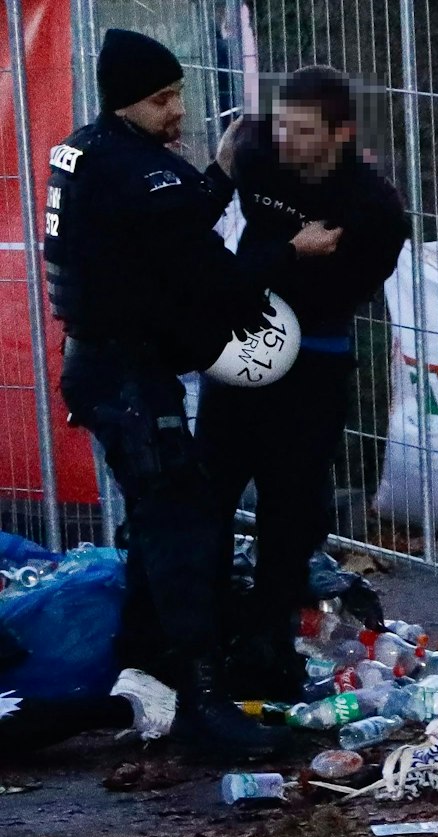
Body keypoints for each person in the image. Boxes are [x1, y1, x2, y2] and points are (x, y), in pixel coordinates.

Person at [40, 30, 334, 758]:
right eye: (161, 100)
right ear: (125, 102)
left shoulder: (88, 152)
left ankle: (149, 674)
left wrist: (218, 177)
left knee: (158, 520)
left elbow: (164, 221)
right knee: (186, 530)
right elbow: (213, 274)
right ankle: (202, 704)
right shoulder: (142, 174)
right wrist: (286, 252)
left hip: (103, 366)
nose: (177, 111)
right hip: (126, 375)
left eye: (177, 94)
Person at [202, 66, 410, 700]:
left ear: (341, 133)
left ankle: (267, 655)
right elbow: (201, 231)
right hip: (238, 351)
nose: (286, 139)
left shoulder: (373, 210)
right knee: (204, 502)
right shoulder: (257, 149)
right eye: (281, 123)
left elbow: (336, 293)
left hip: (312, 362)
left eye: (303, 129)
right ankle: (192, 649)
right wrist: (285, 251)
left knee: (291, 520)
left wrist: (273, 271)